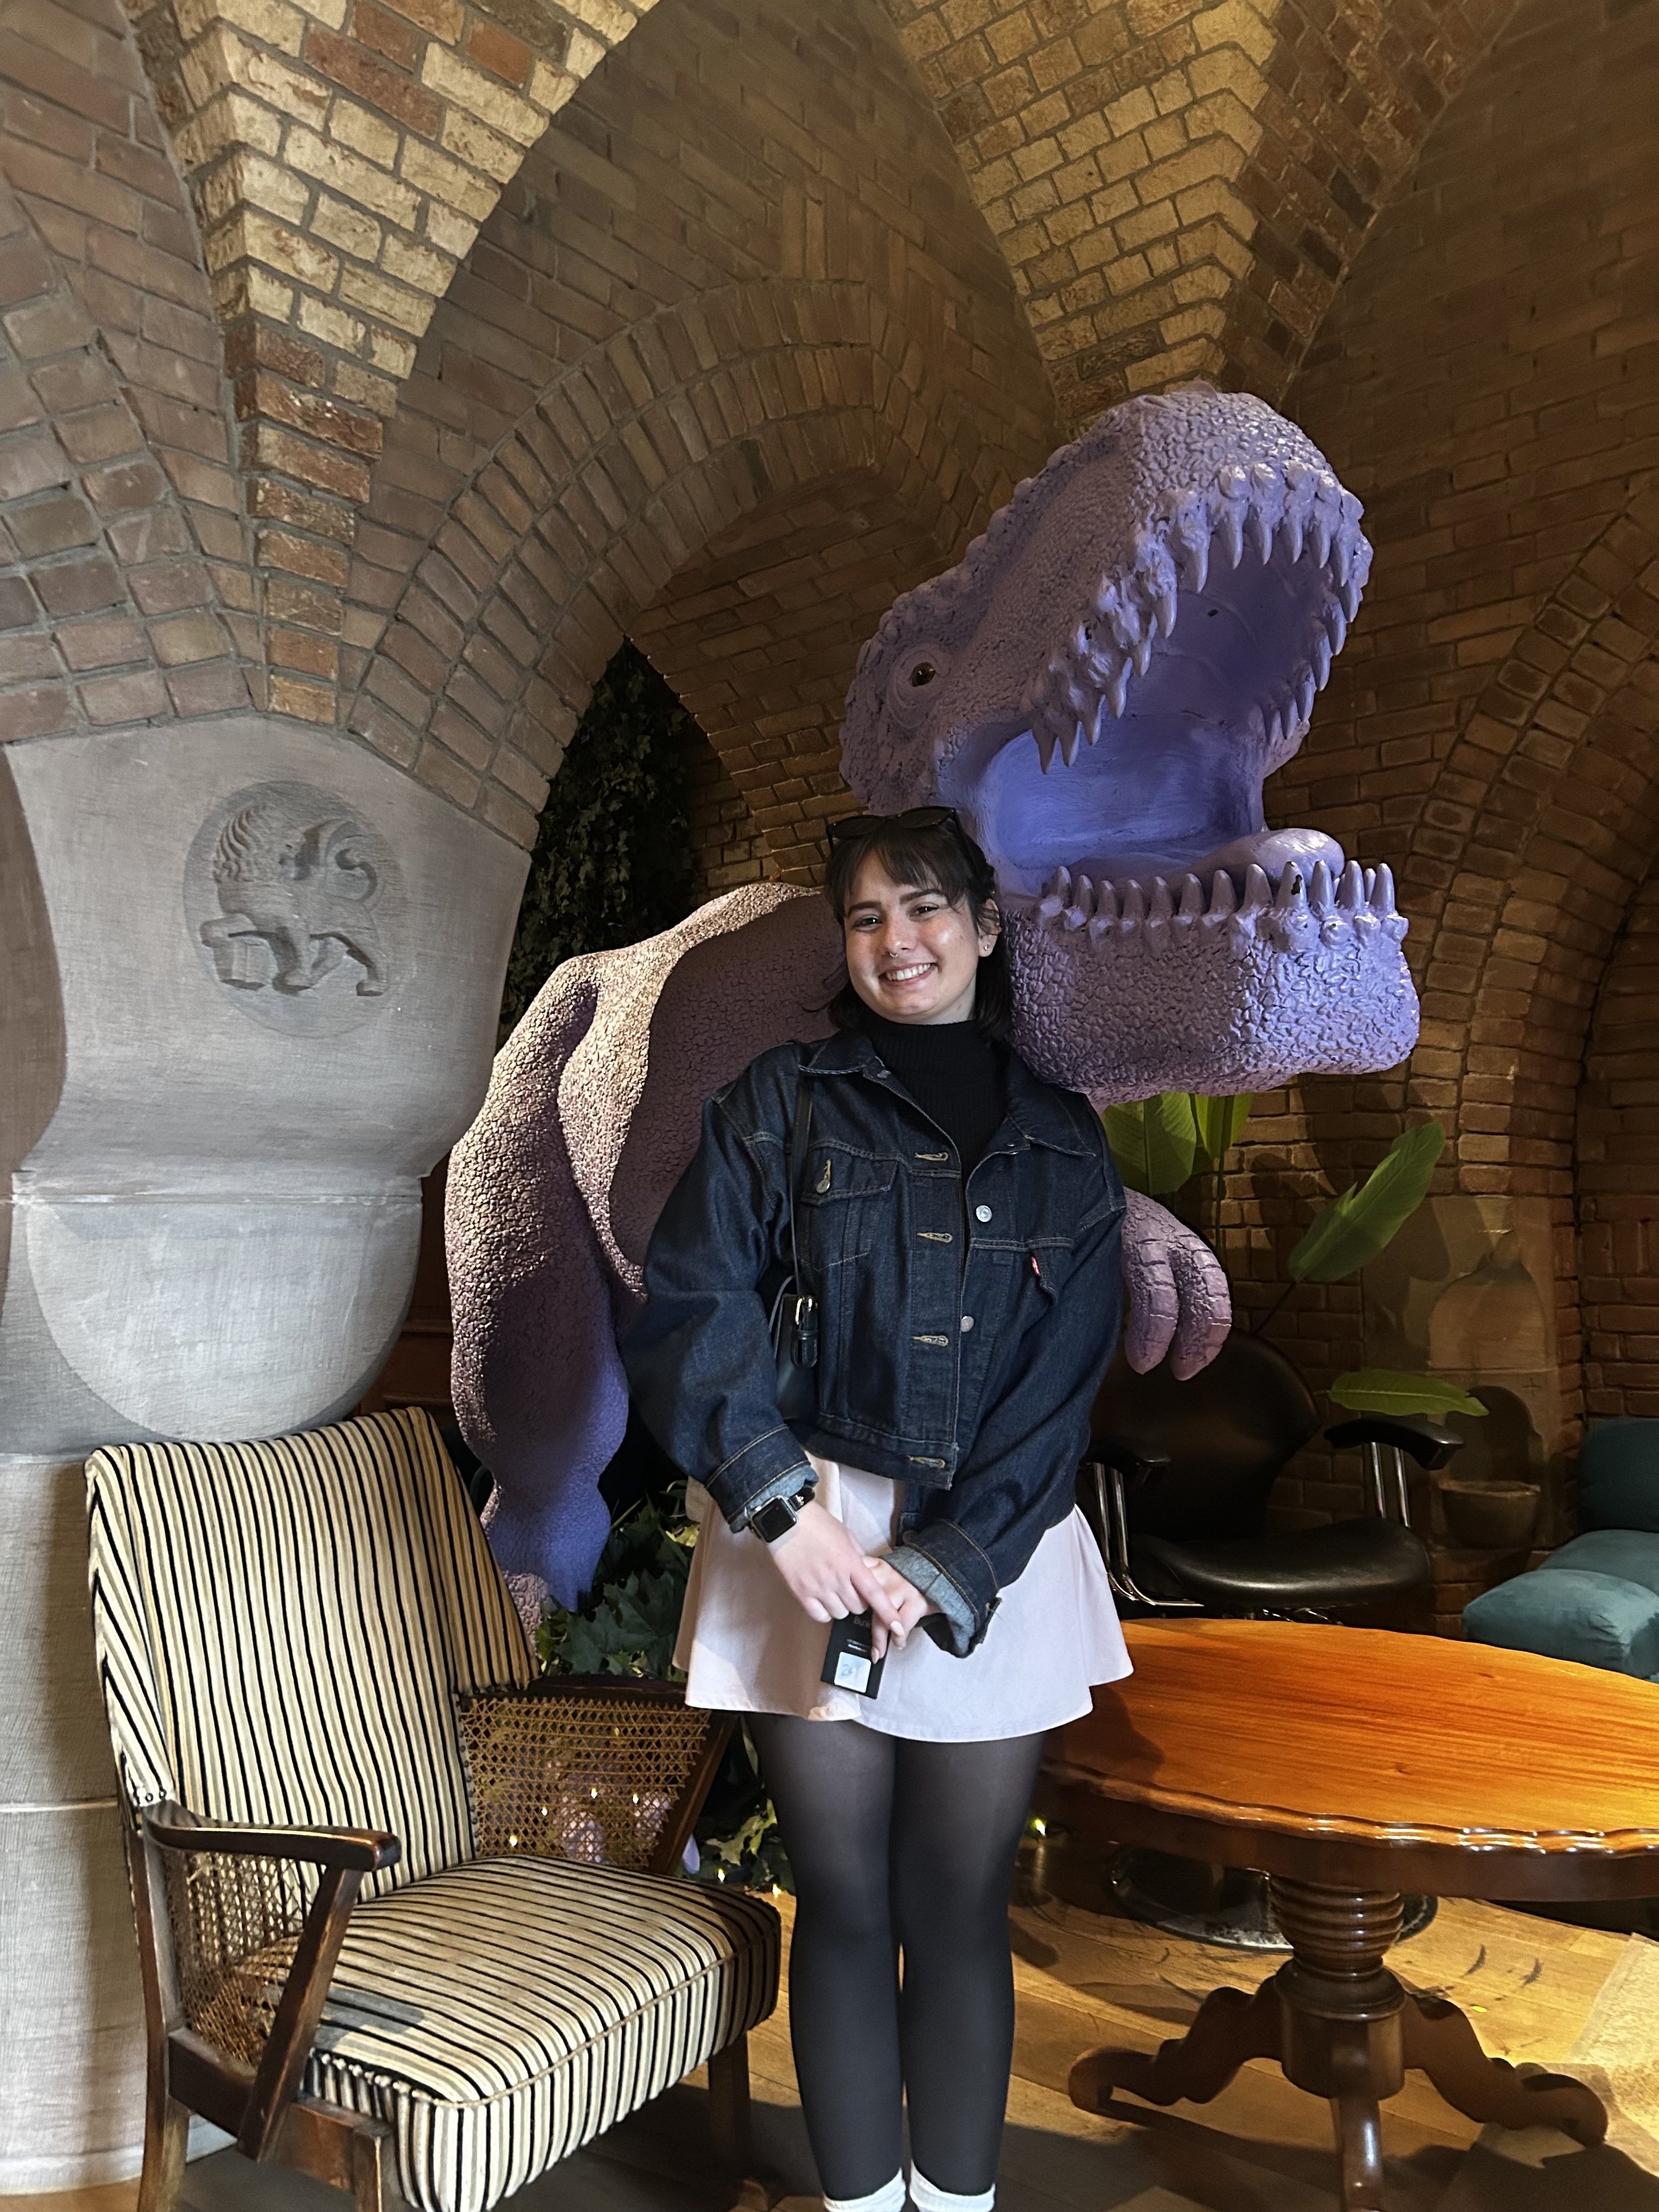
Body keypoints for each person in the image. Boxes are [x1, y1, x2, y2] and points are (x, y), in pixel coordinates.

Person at [622, 809, 1130, 2212]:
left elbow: (1058, 1383)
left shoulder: (1060, 1138)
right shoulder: (776, 1099)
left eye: (920, 908)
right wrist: (790, 1519)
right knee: (841, 1903)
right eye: (863, 917)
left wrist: (948, 1556)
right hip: (803, 1525)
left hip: (996, 1539)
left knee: (961, 1908)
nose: (894, 940)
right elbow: (688, 1304)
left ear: (979, 922)